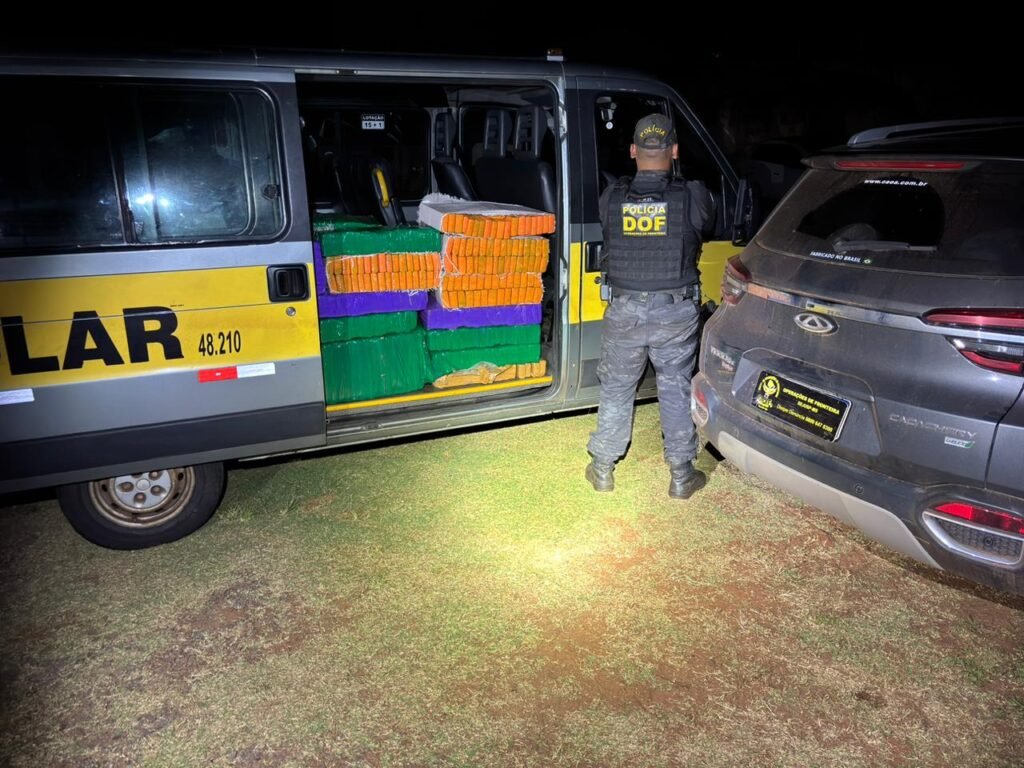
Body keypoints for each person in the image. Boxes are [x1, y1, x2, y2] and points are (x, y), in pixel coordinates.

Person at [585, 113, 715, 499]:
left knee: (617, 386)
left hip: (624, 308)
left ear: (632, 151)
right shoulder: (693, 194)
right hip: (674, 310)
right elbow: (704, 226)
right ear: (674, 151)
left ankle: (603, 468)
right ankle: (681, 475)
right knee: (675, 387)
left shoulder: (611, 196)